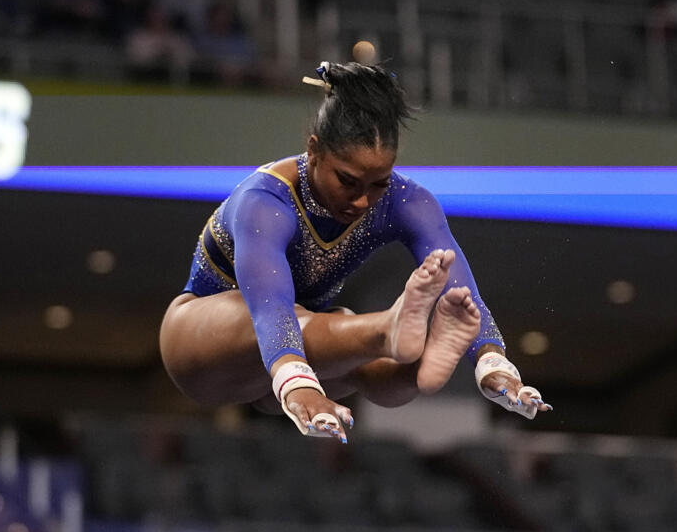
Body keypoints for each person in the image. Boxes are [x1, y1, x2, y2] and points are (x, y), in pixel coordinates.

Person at [159, 60, 550, 443]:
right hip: (201, 346)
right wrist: (297, 382)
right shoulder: (265, 201)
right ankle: (384, 329)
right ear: (314, 151)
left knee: (366, 363)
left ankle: (416, 366)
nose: (363, 201)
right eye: (347, 180)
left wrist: (492, 361)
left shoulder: (407, 200)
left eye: (378, 183)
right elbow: (270, 306)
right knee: (323, 322)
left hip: (286, 362)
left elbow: (463, 291)